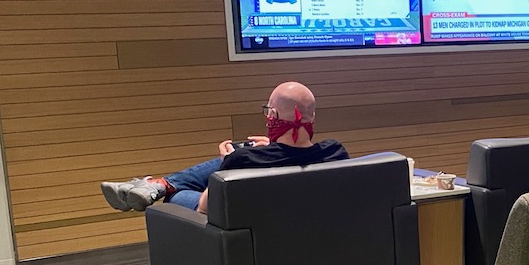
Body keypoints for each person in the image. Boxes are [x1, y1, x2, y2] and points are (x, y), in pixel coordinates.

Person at [101, 81, 348, 215]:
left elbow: (207, 208)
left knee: (177, 194)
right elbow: (297, 159)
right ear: (312, 117)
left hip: (238, 224)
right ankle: (157, 183)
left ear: (272, 115)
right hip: (301, 221)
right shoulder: (335, 152)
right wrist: (272, 147)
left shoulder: (243, 160)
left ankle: (159, 186)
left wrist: (227, 165)